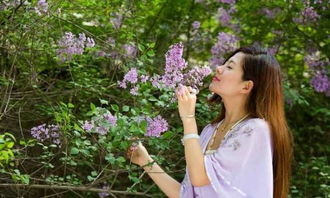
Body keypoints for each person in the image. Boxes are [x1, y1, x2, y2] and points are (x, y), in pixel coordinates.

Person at [126, 44, 294, 198]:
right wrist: (145, 161)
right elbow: (185, 194)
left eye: (229, 67)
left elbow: (200, 178)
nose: (219, 69)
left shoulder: (255, 129)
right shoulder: (210, 130)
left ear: (246, 86)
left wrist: (188, 118)